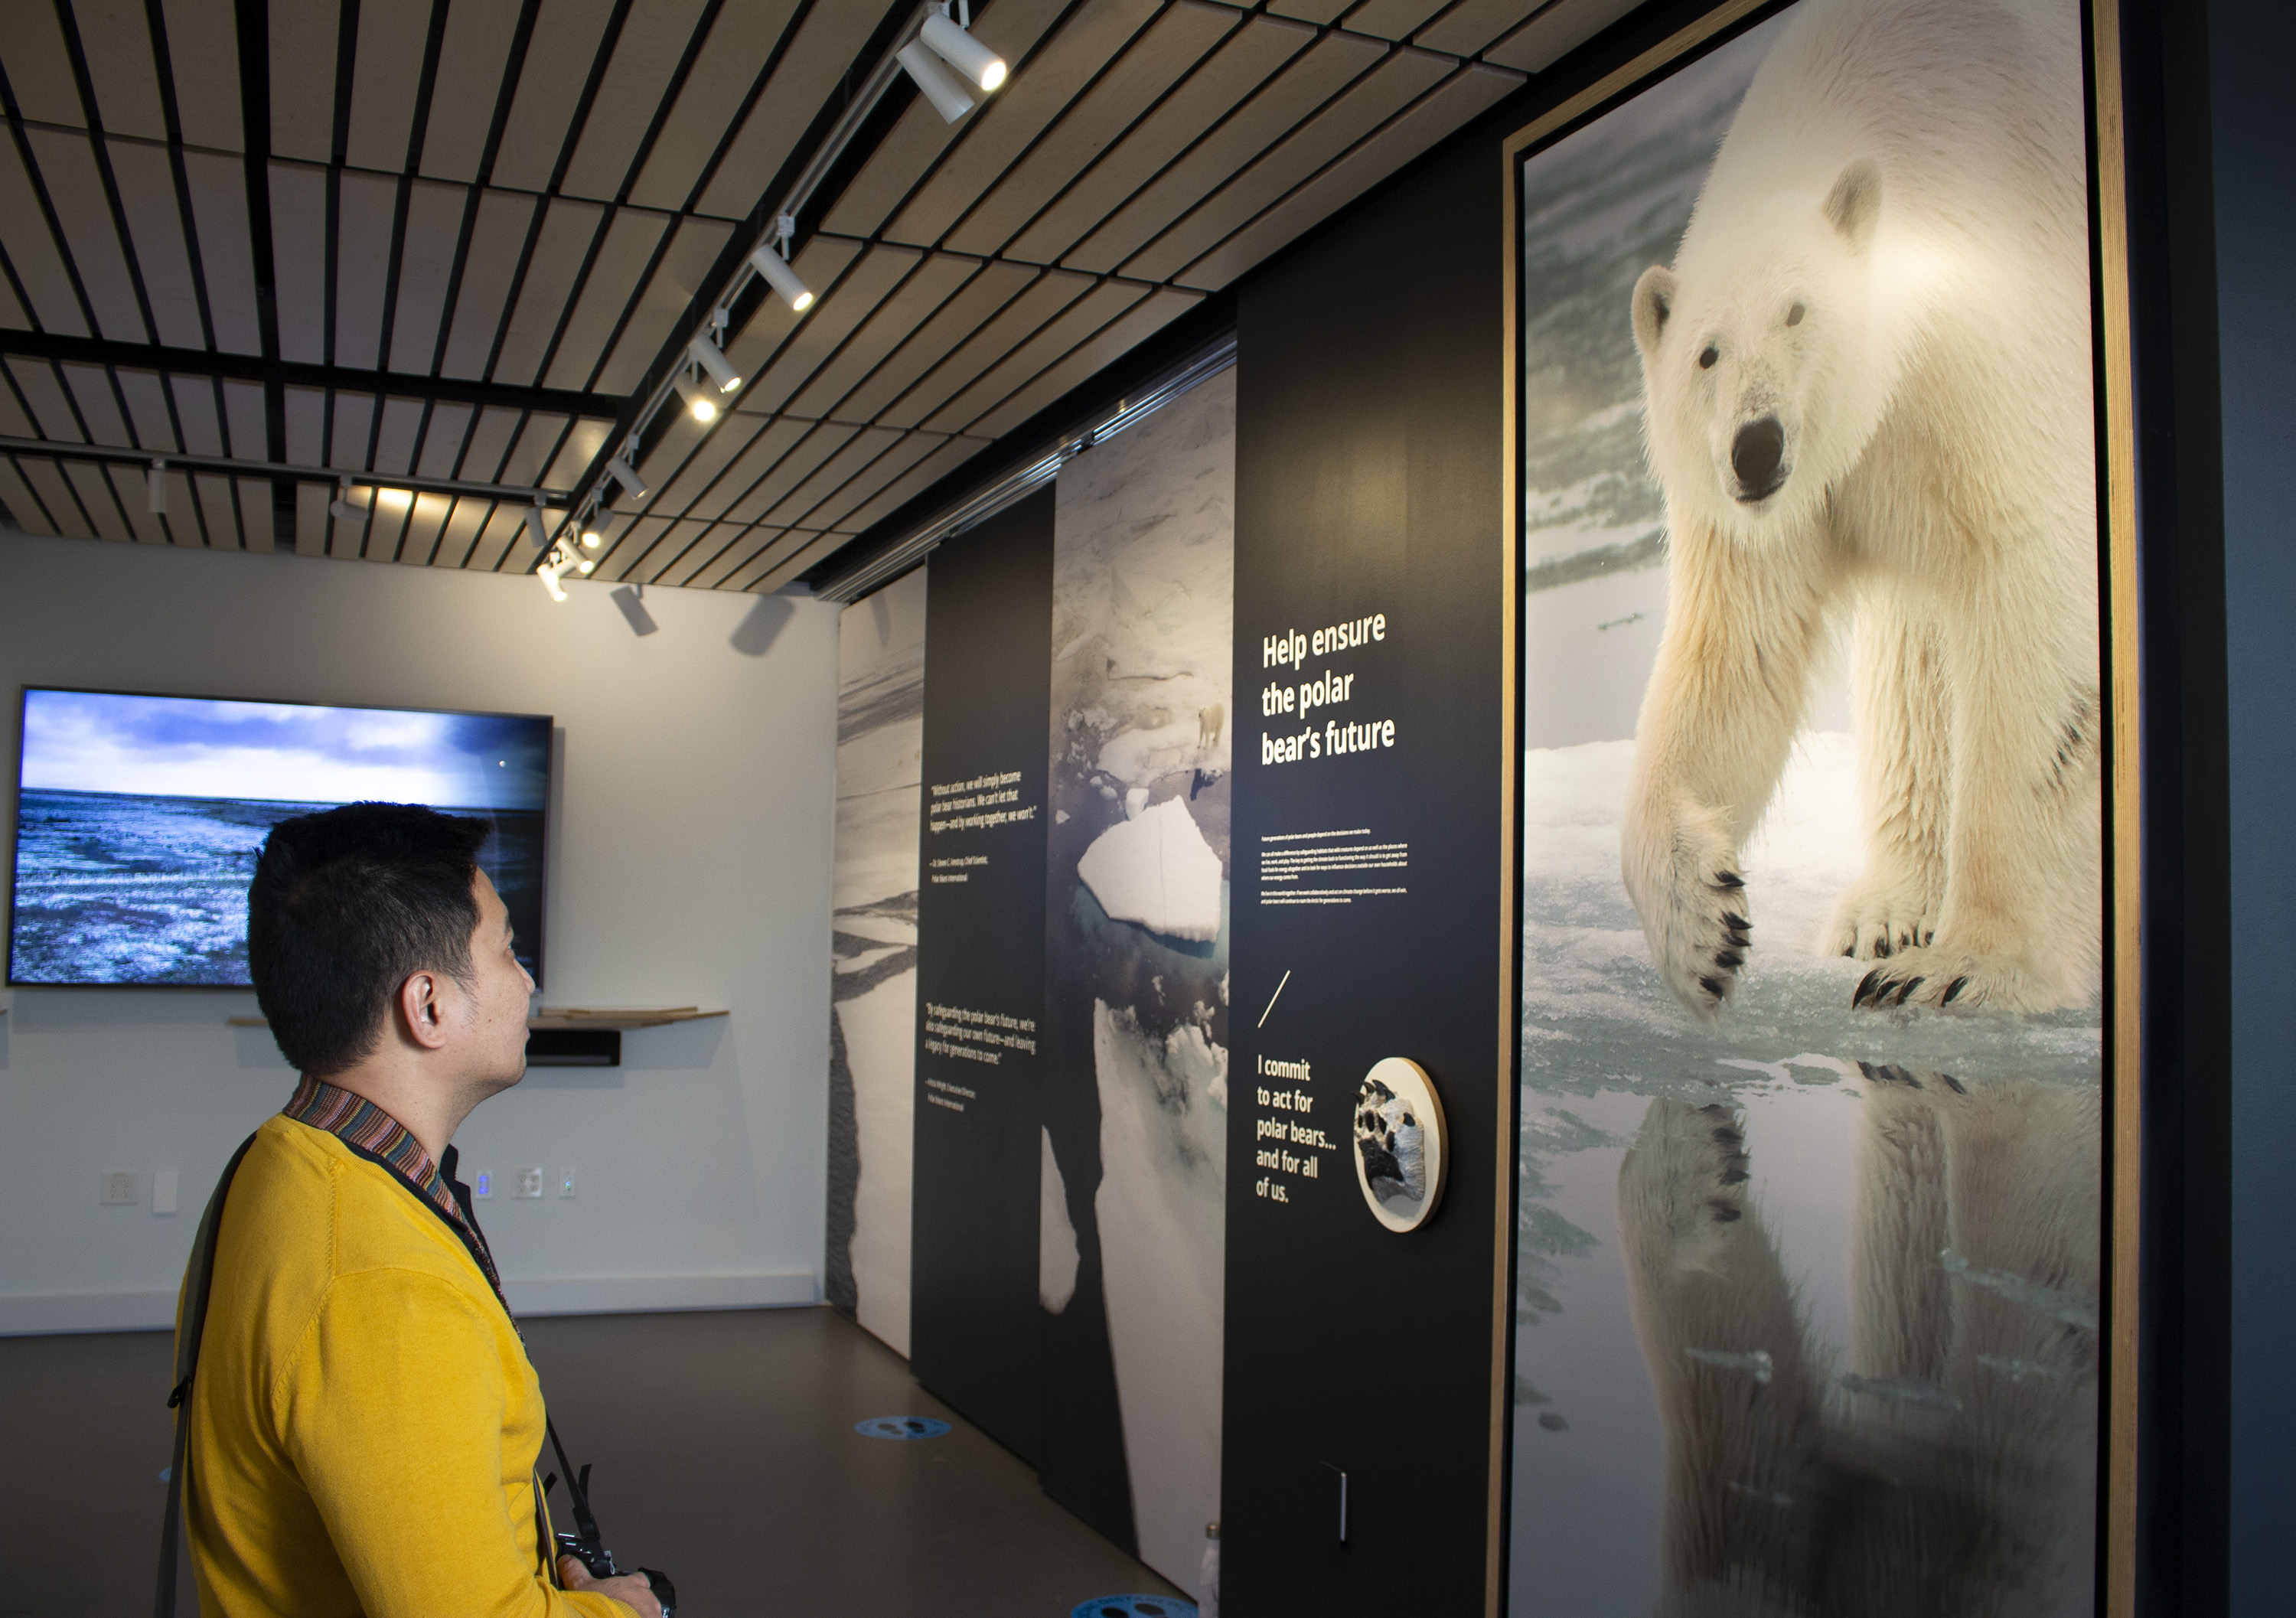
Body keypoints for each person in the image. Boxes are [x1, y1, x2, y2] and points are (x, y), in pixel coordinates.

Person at [178, 802, 661, 1616]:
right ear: (428, 1004)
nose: (528, 978)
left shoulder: (275, 1161)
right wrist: (625, 1609)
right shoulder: (382, 1285)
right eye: (507, 948)